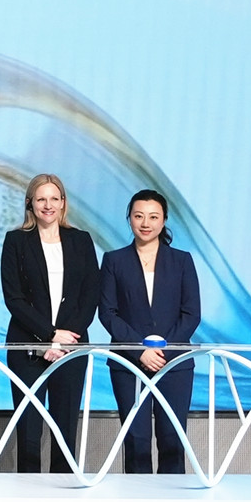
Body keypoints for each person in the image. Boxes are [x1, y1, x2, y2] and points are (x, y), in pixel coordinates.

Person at [0, 173, 102, 473]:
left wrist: (65, 340)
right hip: (28, 349)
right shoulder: (16, 241)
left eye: (54, 199)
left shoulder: (81, 240)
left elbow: (90, 295)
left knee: (65, 431)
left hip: (71, 349)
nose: (48, 205)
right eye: (41, 199)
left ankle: (63, 493)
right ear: (30, 203)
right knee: (29, 433)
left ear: (63, 203)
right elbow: (14, 298)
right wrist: (49, 336)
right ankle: (28, 495)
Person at [99, 188, 202, 475]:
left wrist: (162, 351)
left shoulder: (182, 260)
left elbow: (191, 314)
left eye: (153, 217)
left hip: (175, 364)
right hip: (128, 363)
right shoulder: (114, 260)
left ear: (164, 220)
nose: (146, 223)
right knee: (136, 440)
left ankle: (173, 500)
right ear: (129, 219)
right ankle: (137, 501)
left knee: (172, 439)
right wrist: (139, 351)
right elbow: (107, 313)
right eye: (139, 216)